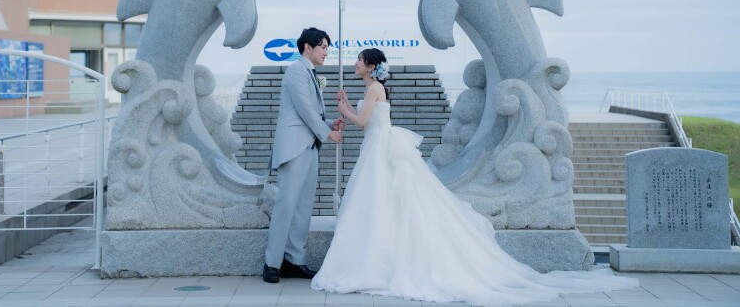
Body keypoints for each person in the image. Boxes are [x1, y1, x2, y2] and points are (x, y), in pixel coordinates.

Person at [311, 48, 638, 305]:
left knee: (381, 202)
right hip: (378, 146)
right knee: (383, 204)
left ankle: (375, 262)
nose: (355, 63)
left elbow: (362, 120)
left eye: (358, 60)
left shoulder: (374, 89)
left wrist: (342, 108)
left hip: (379, 148)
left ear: (370, 66)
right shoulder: (375, 87)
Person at [263, 27, 345, 283]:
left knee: (303, 207)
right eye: (322, 47)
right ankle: (272, 263)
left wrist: (329, 123)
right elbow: (304, 109)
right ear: (307, 48)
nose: (326, 52)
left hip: (309, 146)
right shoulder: (296, 71)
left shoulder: (310, 73)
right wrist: (328, 134)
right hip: (295, 146)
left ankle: (294, 261)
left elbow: (313, 113)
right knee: (286, 204)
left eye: (327, 48)